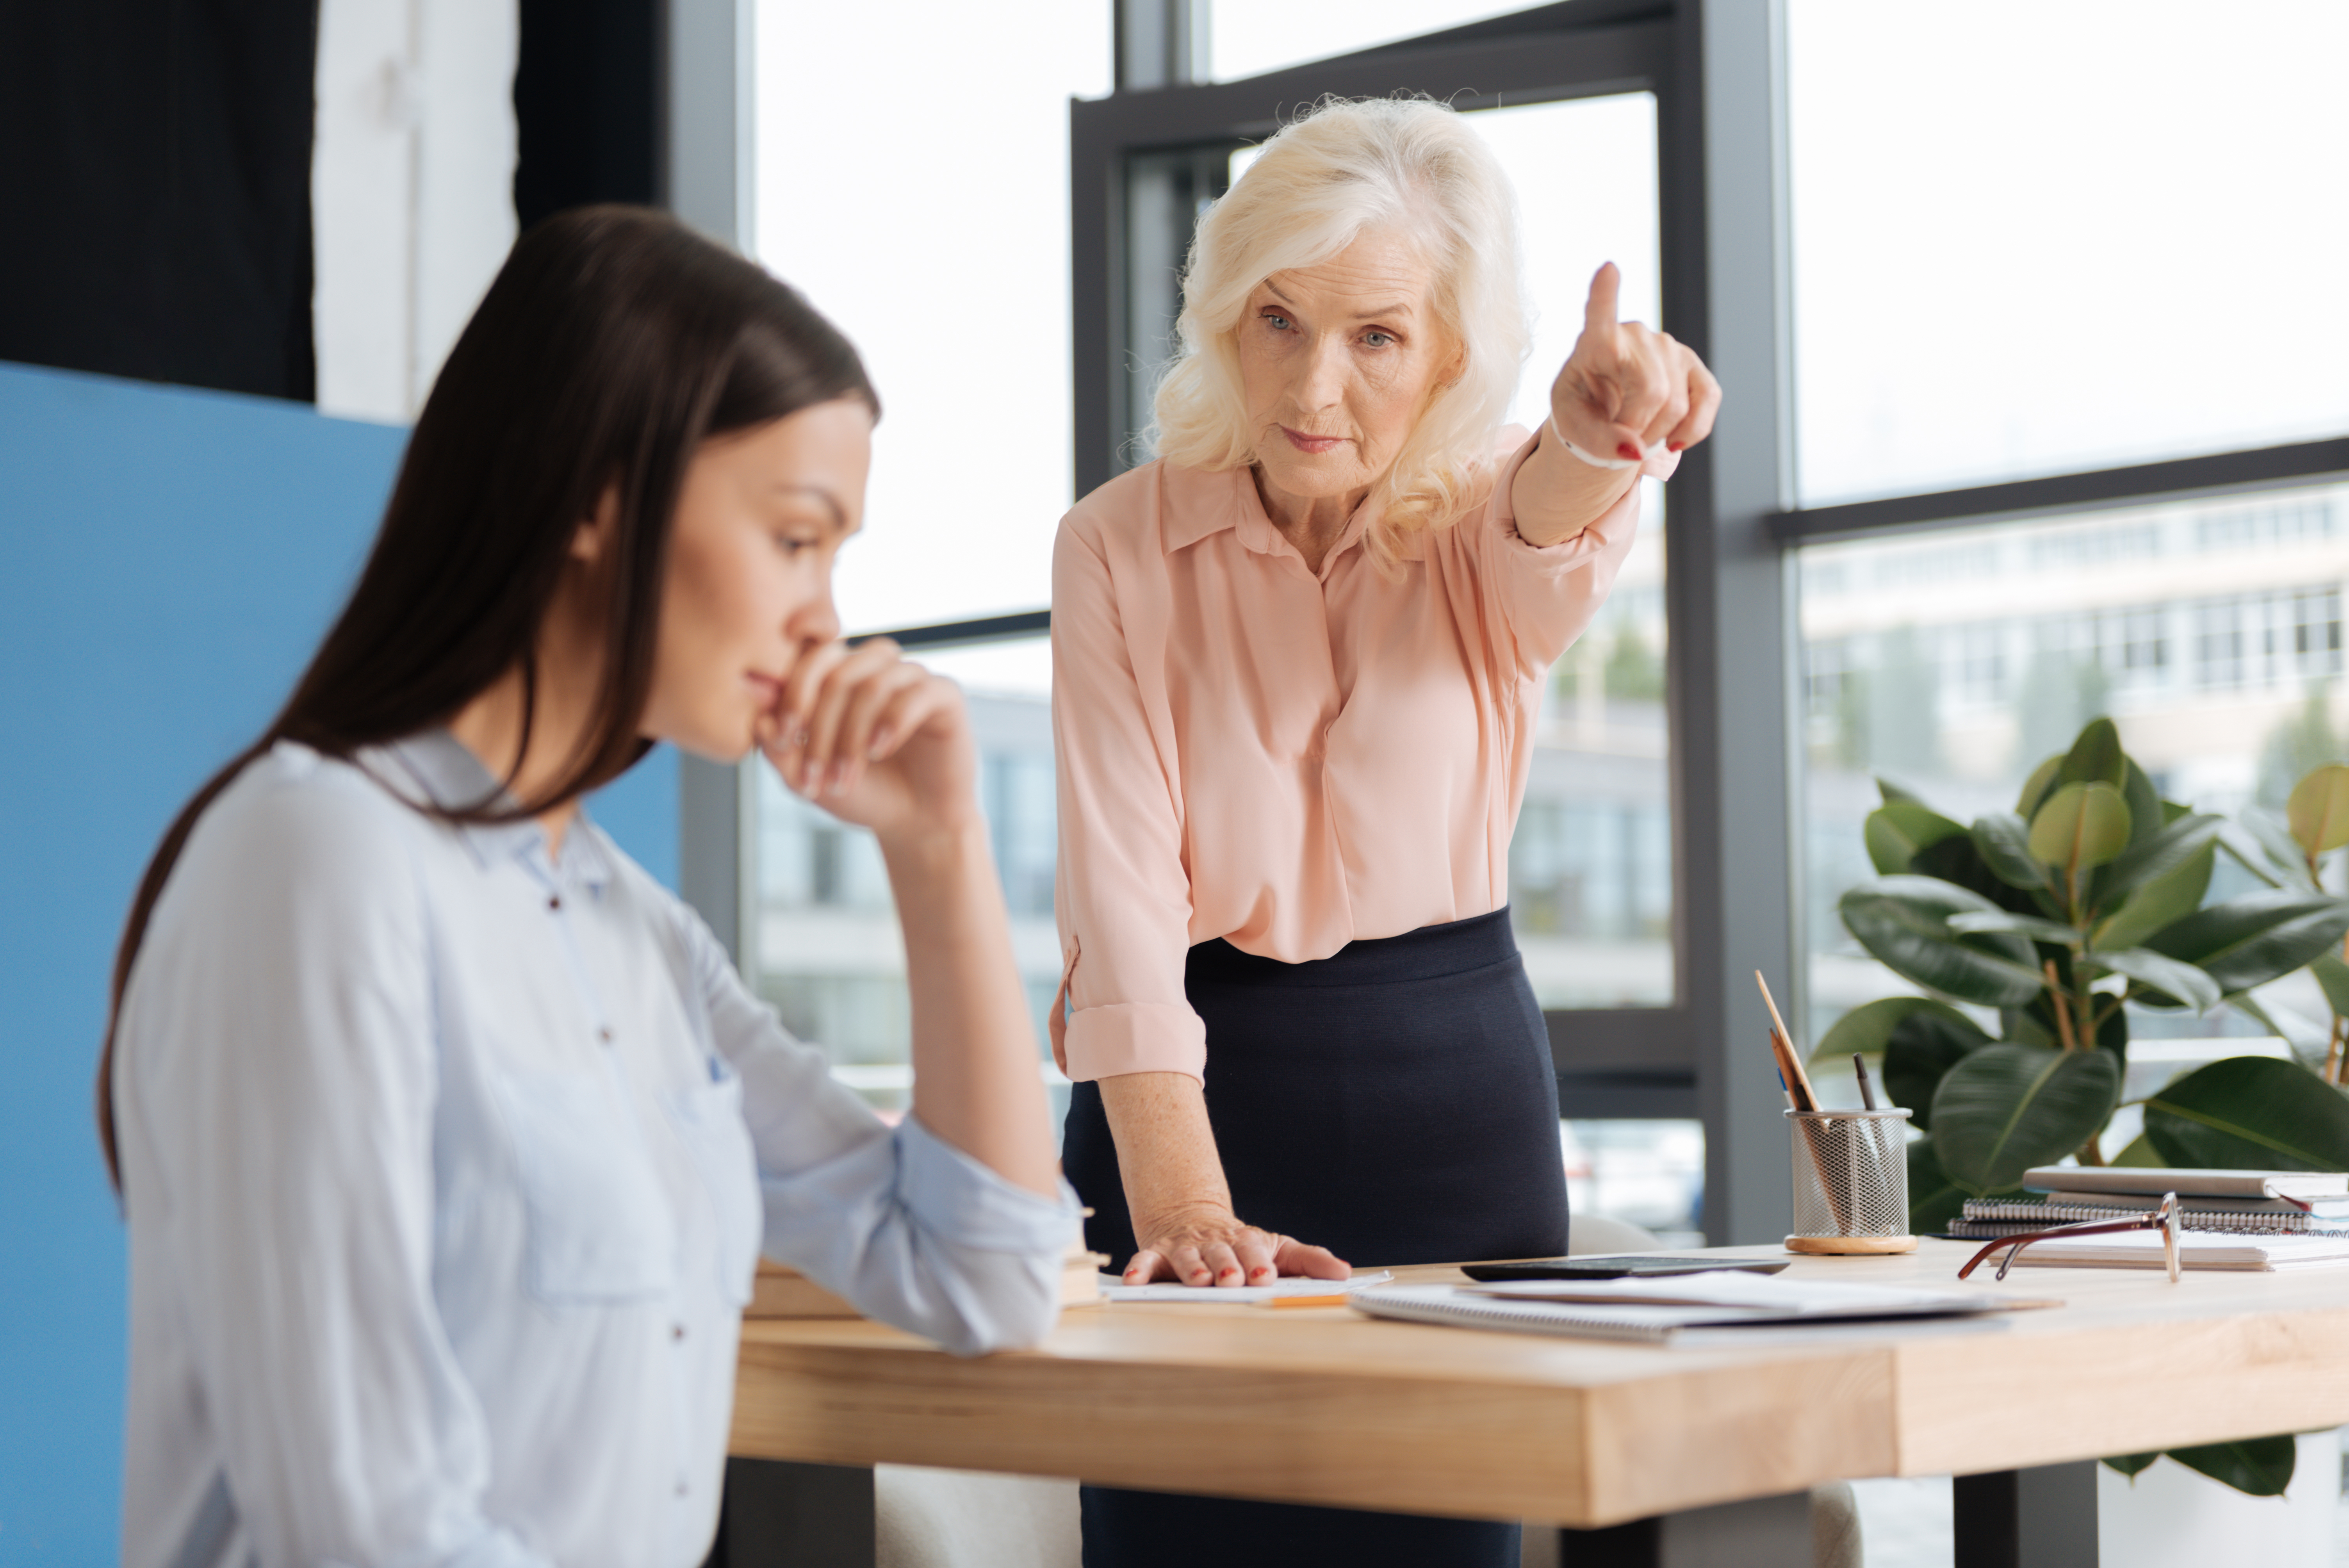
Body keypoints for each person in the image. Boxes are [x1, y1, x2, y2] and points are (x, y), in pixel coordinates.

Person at [102, 206, 1077, 1568]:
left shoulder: (634, 933)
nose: (824, 618)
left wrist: (938, 849)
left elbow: (988, 1274)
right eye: (798, 539)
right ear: (595, 500)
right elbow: (365, 1530)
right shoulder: (321, 863)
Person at [1050, 97, 1720, 1565]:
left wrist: (1604, 433)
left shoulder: (1487, 522)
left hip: (1450, 1107)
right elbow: (1117, 899)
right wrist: (1184, 1208)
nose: (1315, 386)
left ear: (1454, 357)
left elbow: (1555, 520)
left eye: (1378, 337)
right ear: (1227, 309)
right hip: (1192, 1099)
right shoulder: (1114, 545)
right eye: (1279, 320)